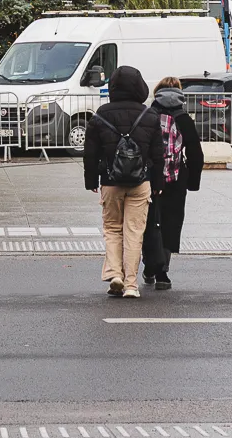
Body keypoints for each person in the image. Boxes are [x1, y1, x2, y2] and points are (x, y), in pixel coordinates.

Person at [82, 64, 163, 299]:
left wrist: (91, 180)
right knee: (134, 233)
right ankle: (131, 285)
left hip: (110, 181)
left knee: (112, 229)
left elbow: (90, 153)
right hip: (141, 182)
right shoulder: (149, 115)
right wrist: (157, 183)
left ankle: (115, 274)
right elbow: (158, 154)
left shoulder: (101, 115)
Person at [142, 74, 203, 289]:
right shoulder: (184, 119)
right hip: (176, 181)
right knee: (170, 224)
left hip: (150, 179)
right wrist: (192, 182)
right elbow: (196, 153)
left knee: (149, 223)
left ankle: (149, 266)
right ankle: (162, 274)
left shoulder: (148, 115)